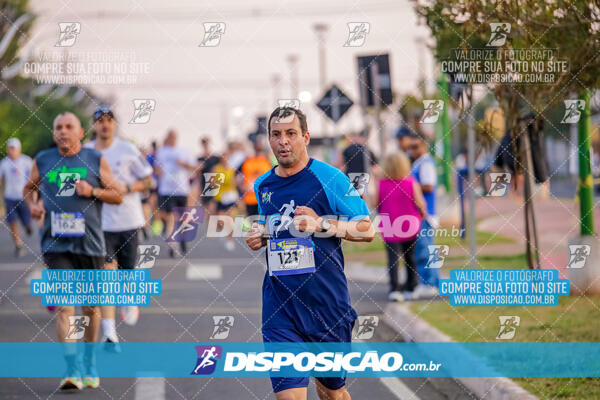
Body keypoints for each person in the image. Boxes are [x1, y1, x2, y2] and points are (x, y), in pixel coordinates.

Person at [245, 106, 374, 400]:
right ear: (269, 139)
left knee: (332, 393)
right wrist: (260, 235)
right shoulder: (263, 184)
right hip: (280, 306)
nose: (283, 141)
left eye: (291, 134)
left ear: (305, 137)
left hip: (326, 305)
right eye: (276, 135)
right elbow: (271, 227)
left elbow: (367, 229)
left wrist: (321, 223)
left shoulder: (331, 178)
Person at [23, 112, 123, 390]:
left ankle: (89, 362)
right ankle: (72, 370)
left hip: (90, 244)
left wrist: (92, 191)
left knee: (90, 308)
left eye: (69, 127)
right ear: (54, 133)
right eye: (58, 127)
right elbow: (29, 188)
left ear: (80, 132)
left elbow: (117, 195)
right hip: (56, 245)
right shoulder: (42, 159)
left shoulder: (93, 160)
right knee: (65, 307)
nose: (63, 132)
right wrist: (34, 204)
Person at [84, 106, 154, 352]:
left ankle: (129, 300)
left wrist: (127, 188)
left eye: (109, 120)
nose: (105, 125)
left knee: (127, 274)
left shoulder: (127, 149)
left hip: (128, 220)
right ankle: (110, 333)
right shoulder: (86, 152)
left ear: (115, 124)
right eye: (100, 120)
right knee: (105, 277)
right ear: (94, 125)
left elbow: (148, 181)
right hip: (99, 224)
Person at [376, 152, 427, 302]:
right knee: (410, 257)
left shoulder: (381, 184)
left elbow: (374, 203)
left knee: (392, 259)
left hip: (389, 225)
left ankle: (394, 289)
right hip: (410, 225)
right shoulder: (411, 182)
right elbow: (420, 203)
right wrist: (422, 214)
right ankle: (412, 287)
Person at [154, 130, 197, 257]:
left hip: (181, 190)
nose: (171, 139)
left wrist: (183, 164)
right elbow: (156, 167)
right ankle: (173, 244)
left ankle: (182, 239)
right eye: (170, 136)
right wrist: (158, 173)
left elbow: (195, 167)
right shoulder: (161, 152)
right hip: (166, 190)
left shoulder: (183, 151)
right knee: (170, 217)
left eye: (174, 136)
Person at [407, 133, 439, 298]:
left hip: (425, 214)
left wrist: (410, 188)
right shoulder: (418, 163)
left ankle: (430, 283)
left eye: (415, 146)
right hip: (420, 214)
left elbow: (429, 186)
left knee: (425, 250)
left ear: (424, 146)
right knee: (423, 249)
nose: (412, 150)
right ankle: (428, 282)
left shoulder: (425, 164)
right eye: (410, 147)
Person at [0, 138, 33, 257]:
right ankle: (18, 245)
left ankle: (28, 226)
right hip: (9, 197)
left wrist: (33, 193)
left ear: (18, 149)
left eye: (13, 148)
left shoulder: (26, 161)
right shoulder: (4, 163)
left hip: (23, 197)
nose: (11, 151)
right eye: (10, 148)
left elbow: (33, 178)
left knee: (26, 222)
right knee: (12, 222)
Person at [212, 150, 239, 251]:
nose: (225, 160)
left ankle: (230, 240)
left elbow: (234, 182)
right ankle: (222, 232)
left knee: (230, 219)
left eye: (227, 158)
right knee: (220, 220)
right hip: (220, 197)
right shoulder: (216, 168)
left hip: (231, 196)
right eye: (224, 157)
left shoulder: (231, 169)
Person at [240, 137, 272, 216]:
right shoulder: (247, 161)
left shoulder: (267, 161)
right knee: (252, 223)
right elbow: (237, 176)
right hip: (250, 199)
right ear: (254, 147)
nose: (258, 147)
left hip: (263, 199)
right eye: (257, 145)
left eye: (259, 145)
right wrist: (241, 187)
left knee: (263, 224)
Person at [197, 137, 220, 217]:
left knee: (213, 209)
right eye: (204, 144)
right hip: (204, 185)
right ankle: (209, 228)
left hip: (214, 185)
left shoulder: (215, 158)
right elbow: (198, 175)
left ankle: (214, 227)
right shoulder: (200, 159)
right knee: (206, 211)